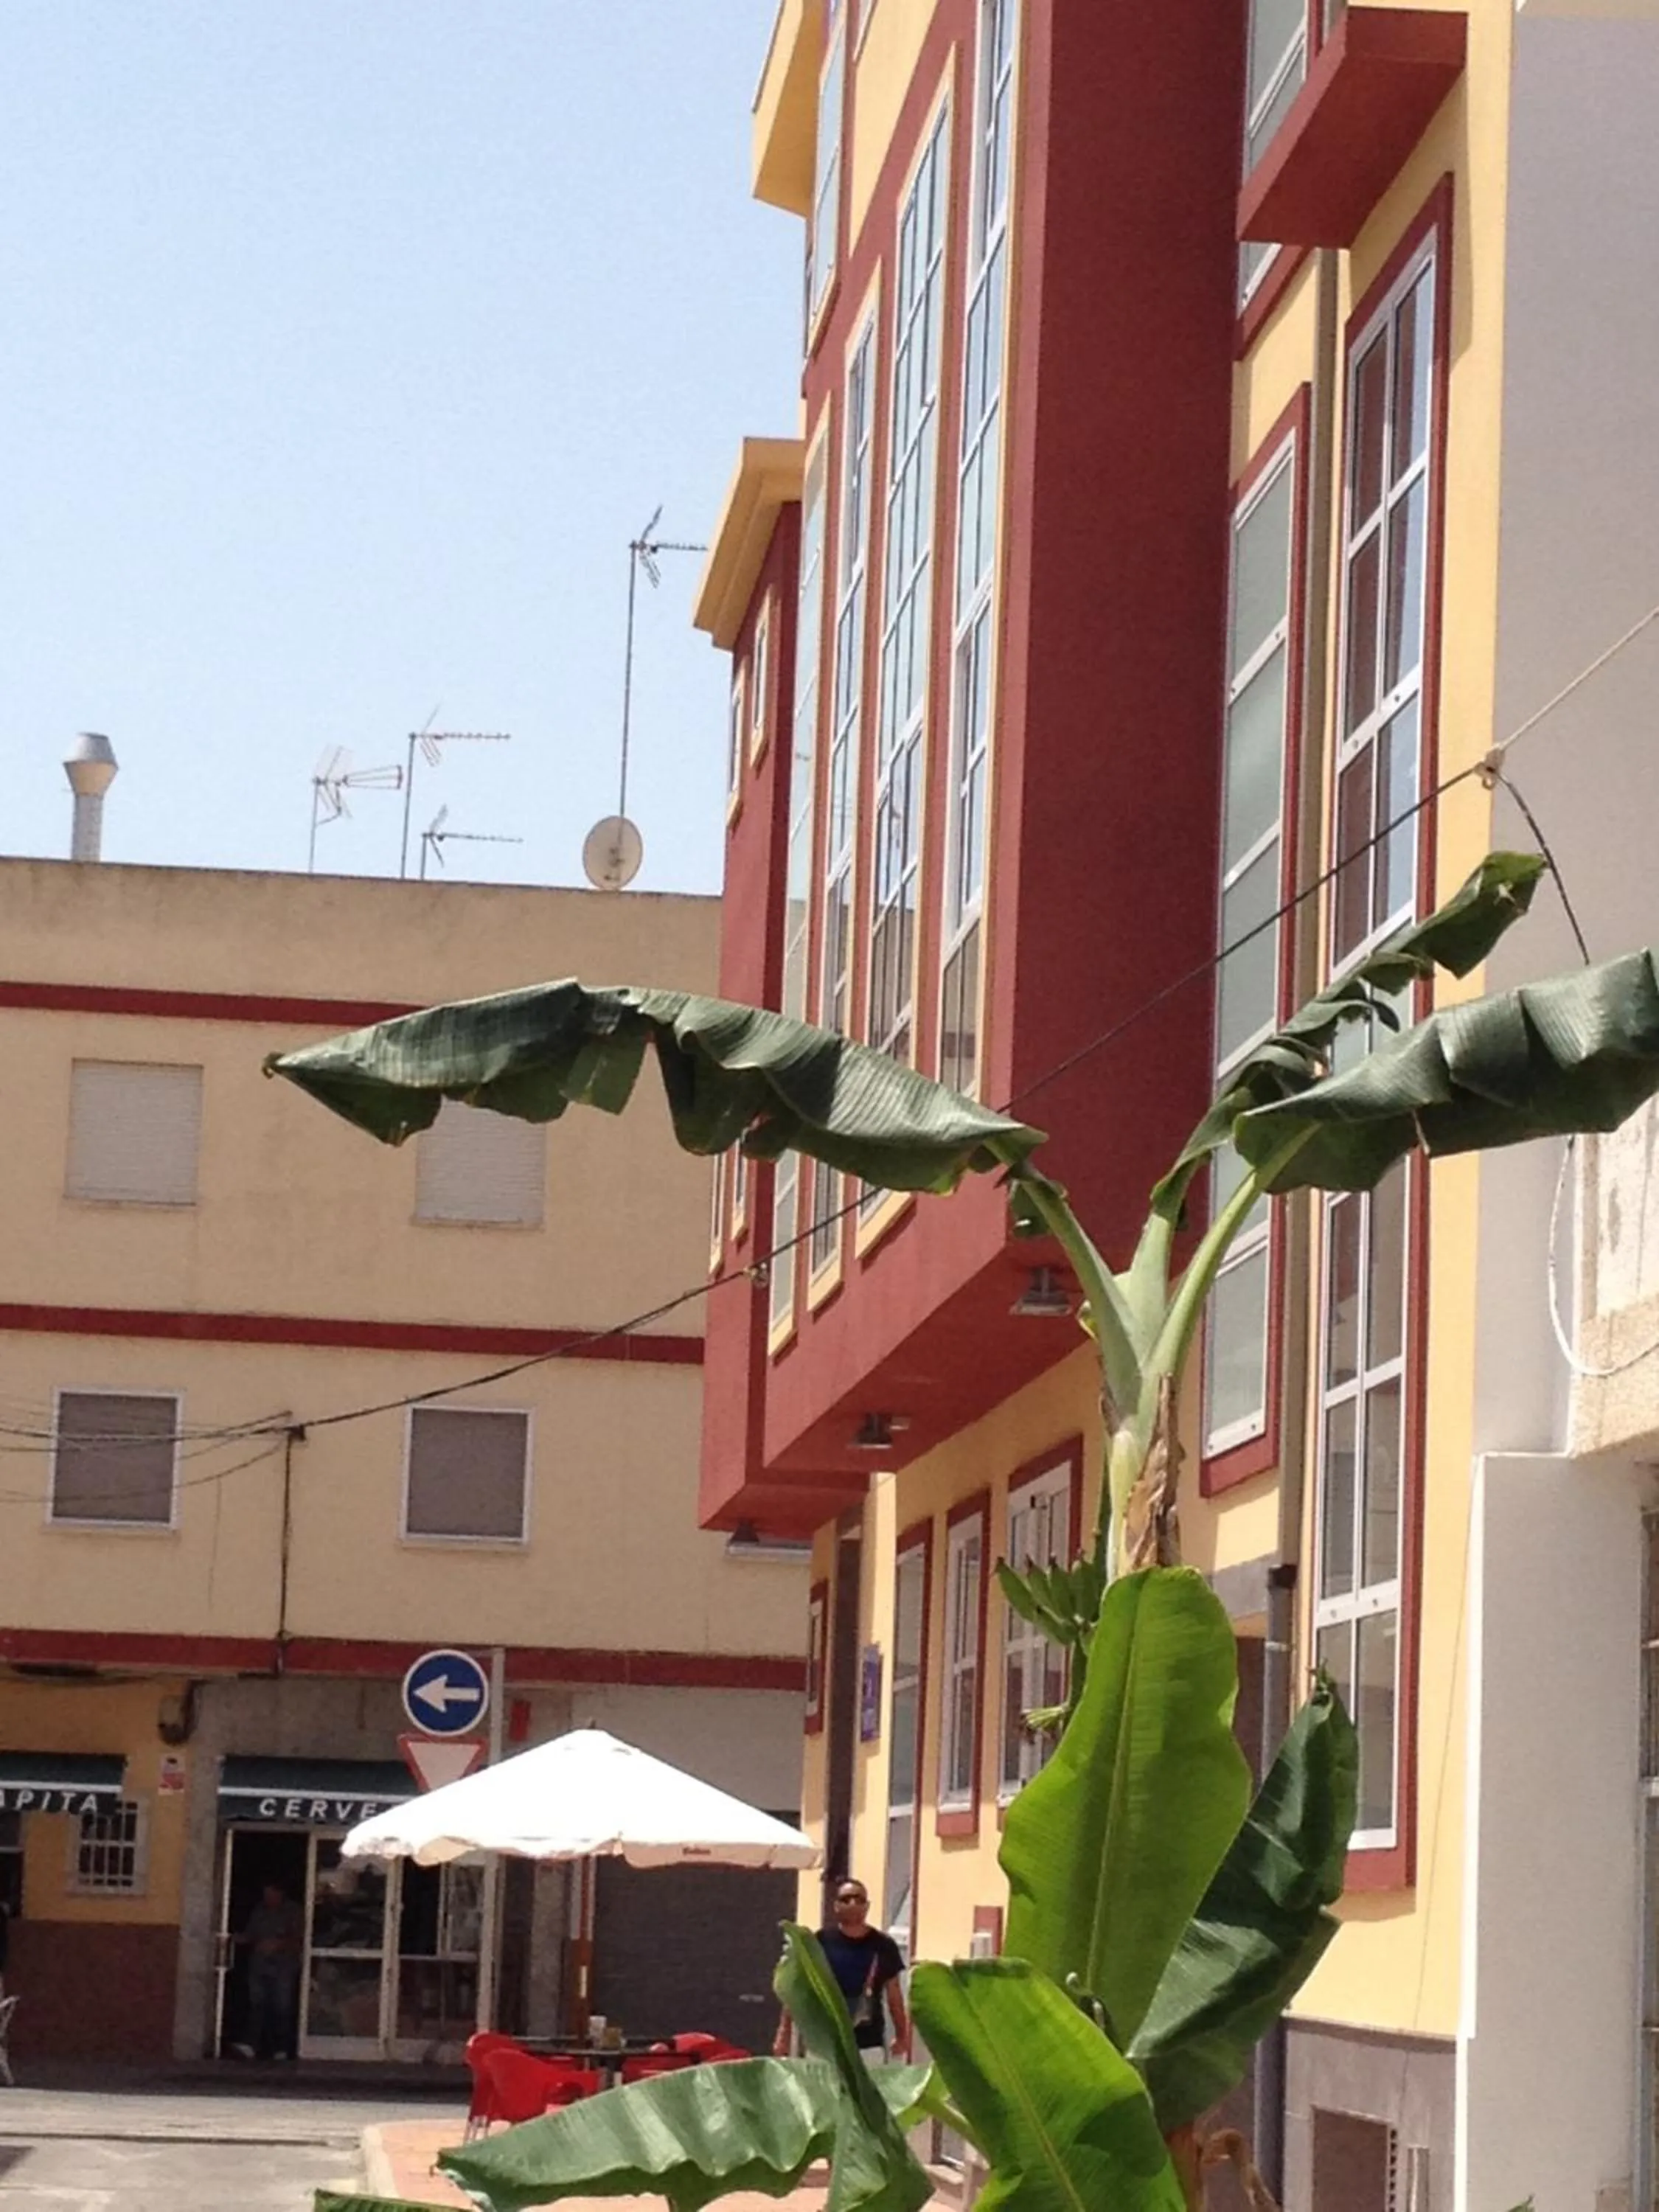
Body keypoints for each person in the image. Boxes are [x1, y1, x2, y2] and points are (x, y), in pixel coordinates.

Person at [774, 1877, 908, 2062]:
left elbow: (894, 1995)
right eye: (846, 1899)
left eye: (859, 1899)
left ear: (867, 1906)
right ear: (836, 1906)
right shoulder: (819, 1942)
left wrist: (902, 2035)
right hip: (823, 2043)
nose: (852, 1903)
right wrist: (784, 2033)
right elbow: (798, 1988)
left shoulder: (884, 1945)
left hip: (868, 2045)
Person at [238, 1880, 304, 2061]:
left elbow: (300, 1937)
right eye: (265, 1894)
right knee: (257, 2006)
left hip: (283, 1967)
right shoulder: (260, 1911)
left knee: (282, 2008)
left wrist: (278, 1944)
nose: (268, 1898)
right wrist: (240, 1939)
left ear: (280, 1893)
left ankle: (282, 2049)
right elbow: (251, 1934)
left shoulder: (293, 1912)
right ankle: (251, 2045)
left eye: (271, 1894)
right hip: (259, 1966)